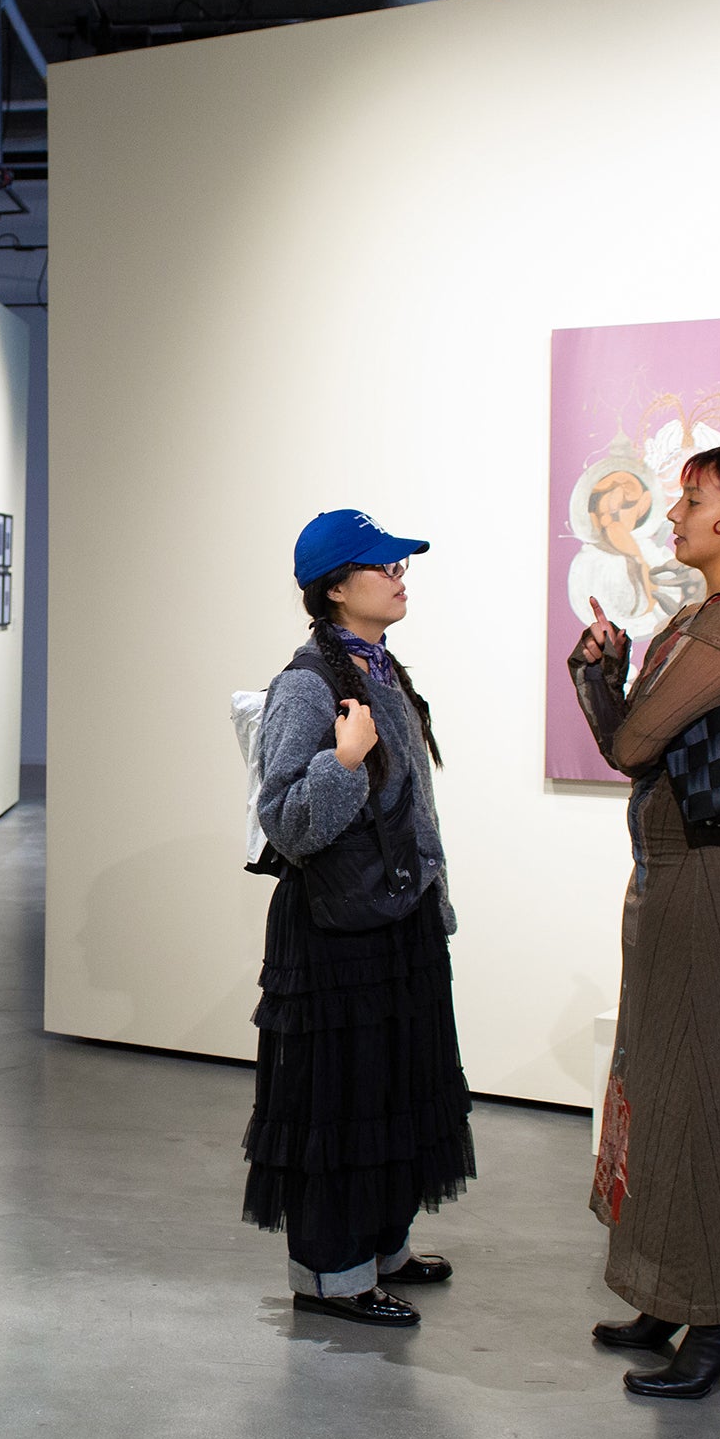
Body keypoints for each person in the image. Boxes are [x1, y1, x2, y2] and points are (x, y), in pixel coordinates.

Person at [566, 442, 720, 1400]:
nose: (674, 515)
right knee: (661, 1085)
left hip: (704, 879)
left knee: (704, 1095)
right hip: (682, 873)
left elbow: (631, 743)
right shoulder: (716, 618)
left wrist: (601, 676)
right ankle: (670, 1289)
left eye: (694, 500)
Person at [243, 510, 475, 1327]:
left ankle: (384, 1245)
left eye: (401, 564)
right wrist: (342, 763)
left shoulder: (380, 668)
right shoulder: (308, 682)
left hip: (395, 921)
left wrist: (432, 898)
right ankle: (333, 1276)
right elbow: (287, 820)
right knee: (340, 1102)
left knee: (397, 1086)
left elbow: (413, 807)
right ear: (337, 586)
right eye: (384, 566)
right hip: (339, 933)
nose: (400, 576)